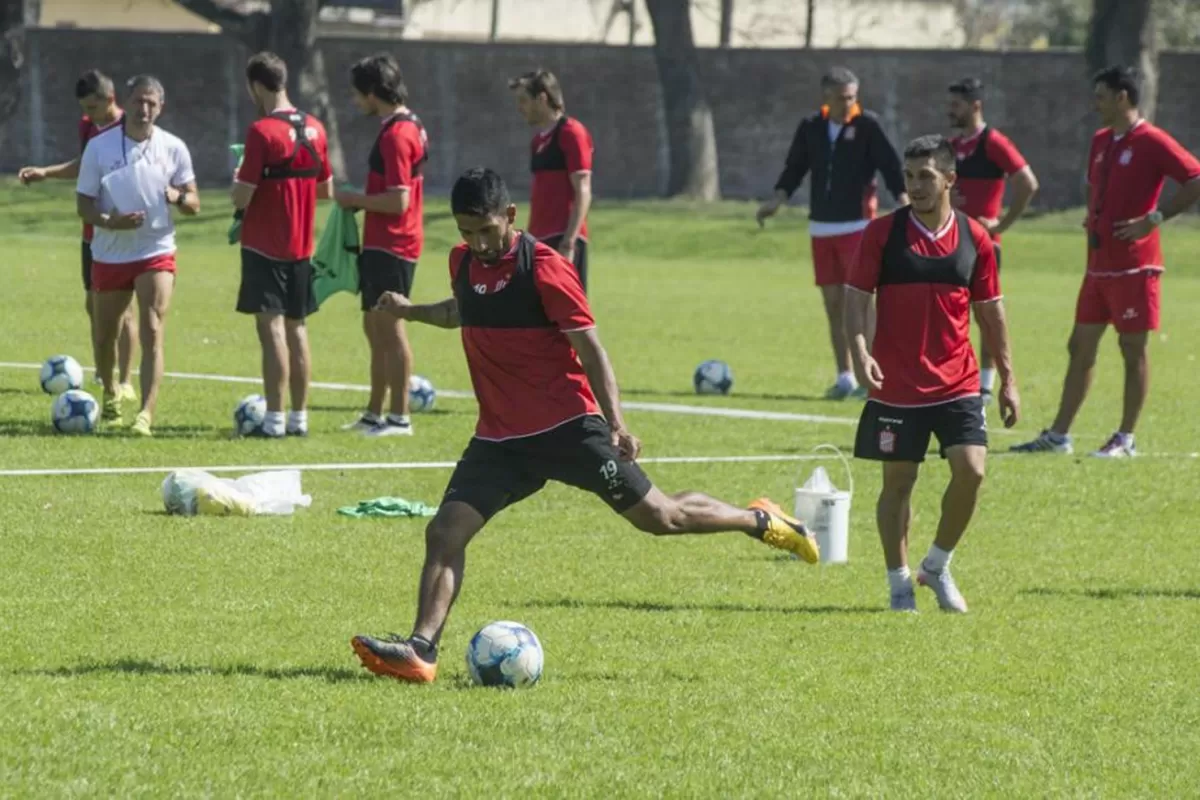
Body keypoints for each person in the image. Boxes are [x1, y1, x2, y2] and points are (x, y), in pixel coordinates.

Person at [351, 167, 819, 683]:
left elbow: (591, 351)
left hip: (570, 428)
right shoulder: (462, 261)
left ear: (509, 216)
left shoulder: (545, 269)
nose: (478, 242)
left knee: (662, 519)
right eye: (467, 231)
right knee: (444, 532)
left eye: (486, 229)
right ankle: (422, 651)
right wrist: (411, 311)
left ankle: (762, 521)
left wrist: (616, 423)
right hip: (500, 439)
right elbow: (464, 309)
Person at [846, 135, 1019, 613]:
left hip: (958, 381)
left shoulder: (975, 238)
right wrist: (860, 349)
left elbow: (992, 313)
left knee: (972, 471)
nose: (915, 185)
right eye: (909, 176)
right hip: (896, 385)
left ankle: (937, 565)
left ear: (949, 179)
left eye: (925, 176)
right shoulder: (882, 234)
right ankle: (899, 582)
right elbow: (856, 297)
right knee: (898, 486)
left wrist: (1007, 378)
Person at [1012, 66, 1200, 458]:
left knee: (1132, 349)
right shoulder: (1100, 140)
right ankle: (1059, 436)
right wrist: (1093, 214)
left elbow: (1194, 178)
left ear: (1122, 98)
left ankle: (1125, 438)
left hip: (1134, 266)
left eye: (1100, 96)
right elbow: (1096, 185)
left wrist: (1154, 219)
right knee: (1079, 346)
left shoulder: (1152, 140)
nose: (1094, 104)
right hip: (1097, 264)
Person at [757, 66, 908, 400]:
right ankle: (845, 377)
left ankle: (872, 378)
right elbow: (794, 168)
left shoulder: (868, 125)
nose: (849, 104)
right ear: (826, 98)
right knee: (834, 305)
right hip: (821, 228)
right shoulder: (811, 127)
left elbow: (891, 167)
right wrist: (777, 200)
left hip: (858, 226)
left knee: (862, 305)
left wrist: (904, 200)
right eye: (842, 98)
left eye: (853, 97)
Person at [75, 75, 199, 437]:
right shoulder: (99, 147)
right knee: (104, 334)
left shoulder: (174, 148)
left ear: (160, 108)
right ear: (125, 103)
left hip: (155, 250)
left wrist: (176, 197)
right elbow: (83, 203)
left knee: (152, 328)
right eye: (139, 101)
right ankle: (112, 396)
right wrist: (109, 221)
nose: (144, 109)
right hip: (110, 252)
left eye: (152, 103)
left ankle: (145, 412)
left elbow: (194, 203)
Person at [19, 69, 138, 405]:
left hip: (124, 232)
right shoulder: (89, 127)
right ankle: (104, 372)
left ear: (109, 99)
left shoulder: (132, 127)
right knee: (95, 305)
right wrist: (45, 173)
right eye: (84, 109)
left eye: (92, 107)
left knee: (124, 310)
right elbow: (84, 165)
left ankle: (126, 380)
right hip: (93, 231)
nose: (87, 115)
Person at [232, 51, 334, 439]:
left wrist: (237, 180)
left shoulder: (261, 132)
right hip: (301, 248)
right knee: (297, 329)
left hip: (264, 246)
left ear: (256, 86)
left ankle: (273, 421)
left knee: (270, 330)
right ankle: (299, 419)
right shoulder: (317, 129)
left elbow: (241, 197)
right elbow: (325, 189)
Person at [335, 54, 429, 437]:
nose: (356, 101)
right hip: (381, 244)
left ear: (374, 92)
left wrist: (354, 199)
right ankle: (374, 414)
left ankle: (400, 418)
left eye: (358, 94)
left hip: (394, 244)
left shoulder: (398, 134)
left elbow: (398, 201)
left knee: (391, 331)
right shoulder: (405, 125)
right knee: (373, 328)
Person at [947, 77, 1039, 404]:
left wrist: (1003, 223)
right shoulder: (954, 146)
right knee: (950, 311)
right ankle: (955, 378)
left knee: (985, 312)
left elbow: (1027, 183)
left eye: (956, 105)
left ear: (976, 105)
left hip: (983, 243)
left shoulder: (993, 142)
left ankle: (985, 384)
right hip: (952, 241)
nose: (950, 111)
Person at [508, 70, 594, 291]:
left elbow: (583, 190)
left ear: (542, 98)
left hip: (562, 239)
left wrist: (569, 241)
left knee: (568, 317)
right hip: (539, 240)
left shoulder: (572, 132)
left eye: (524, 100)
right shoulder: (537, 142)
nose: (520, 108)